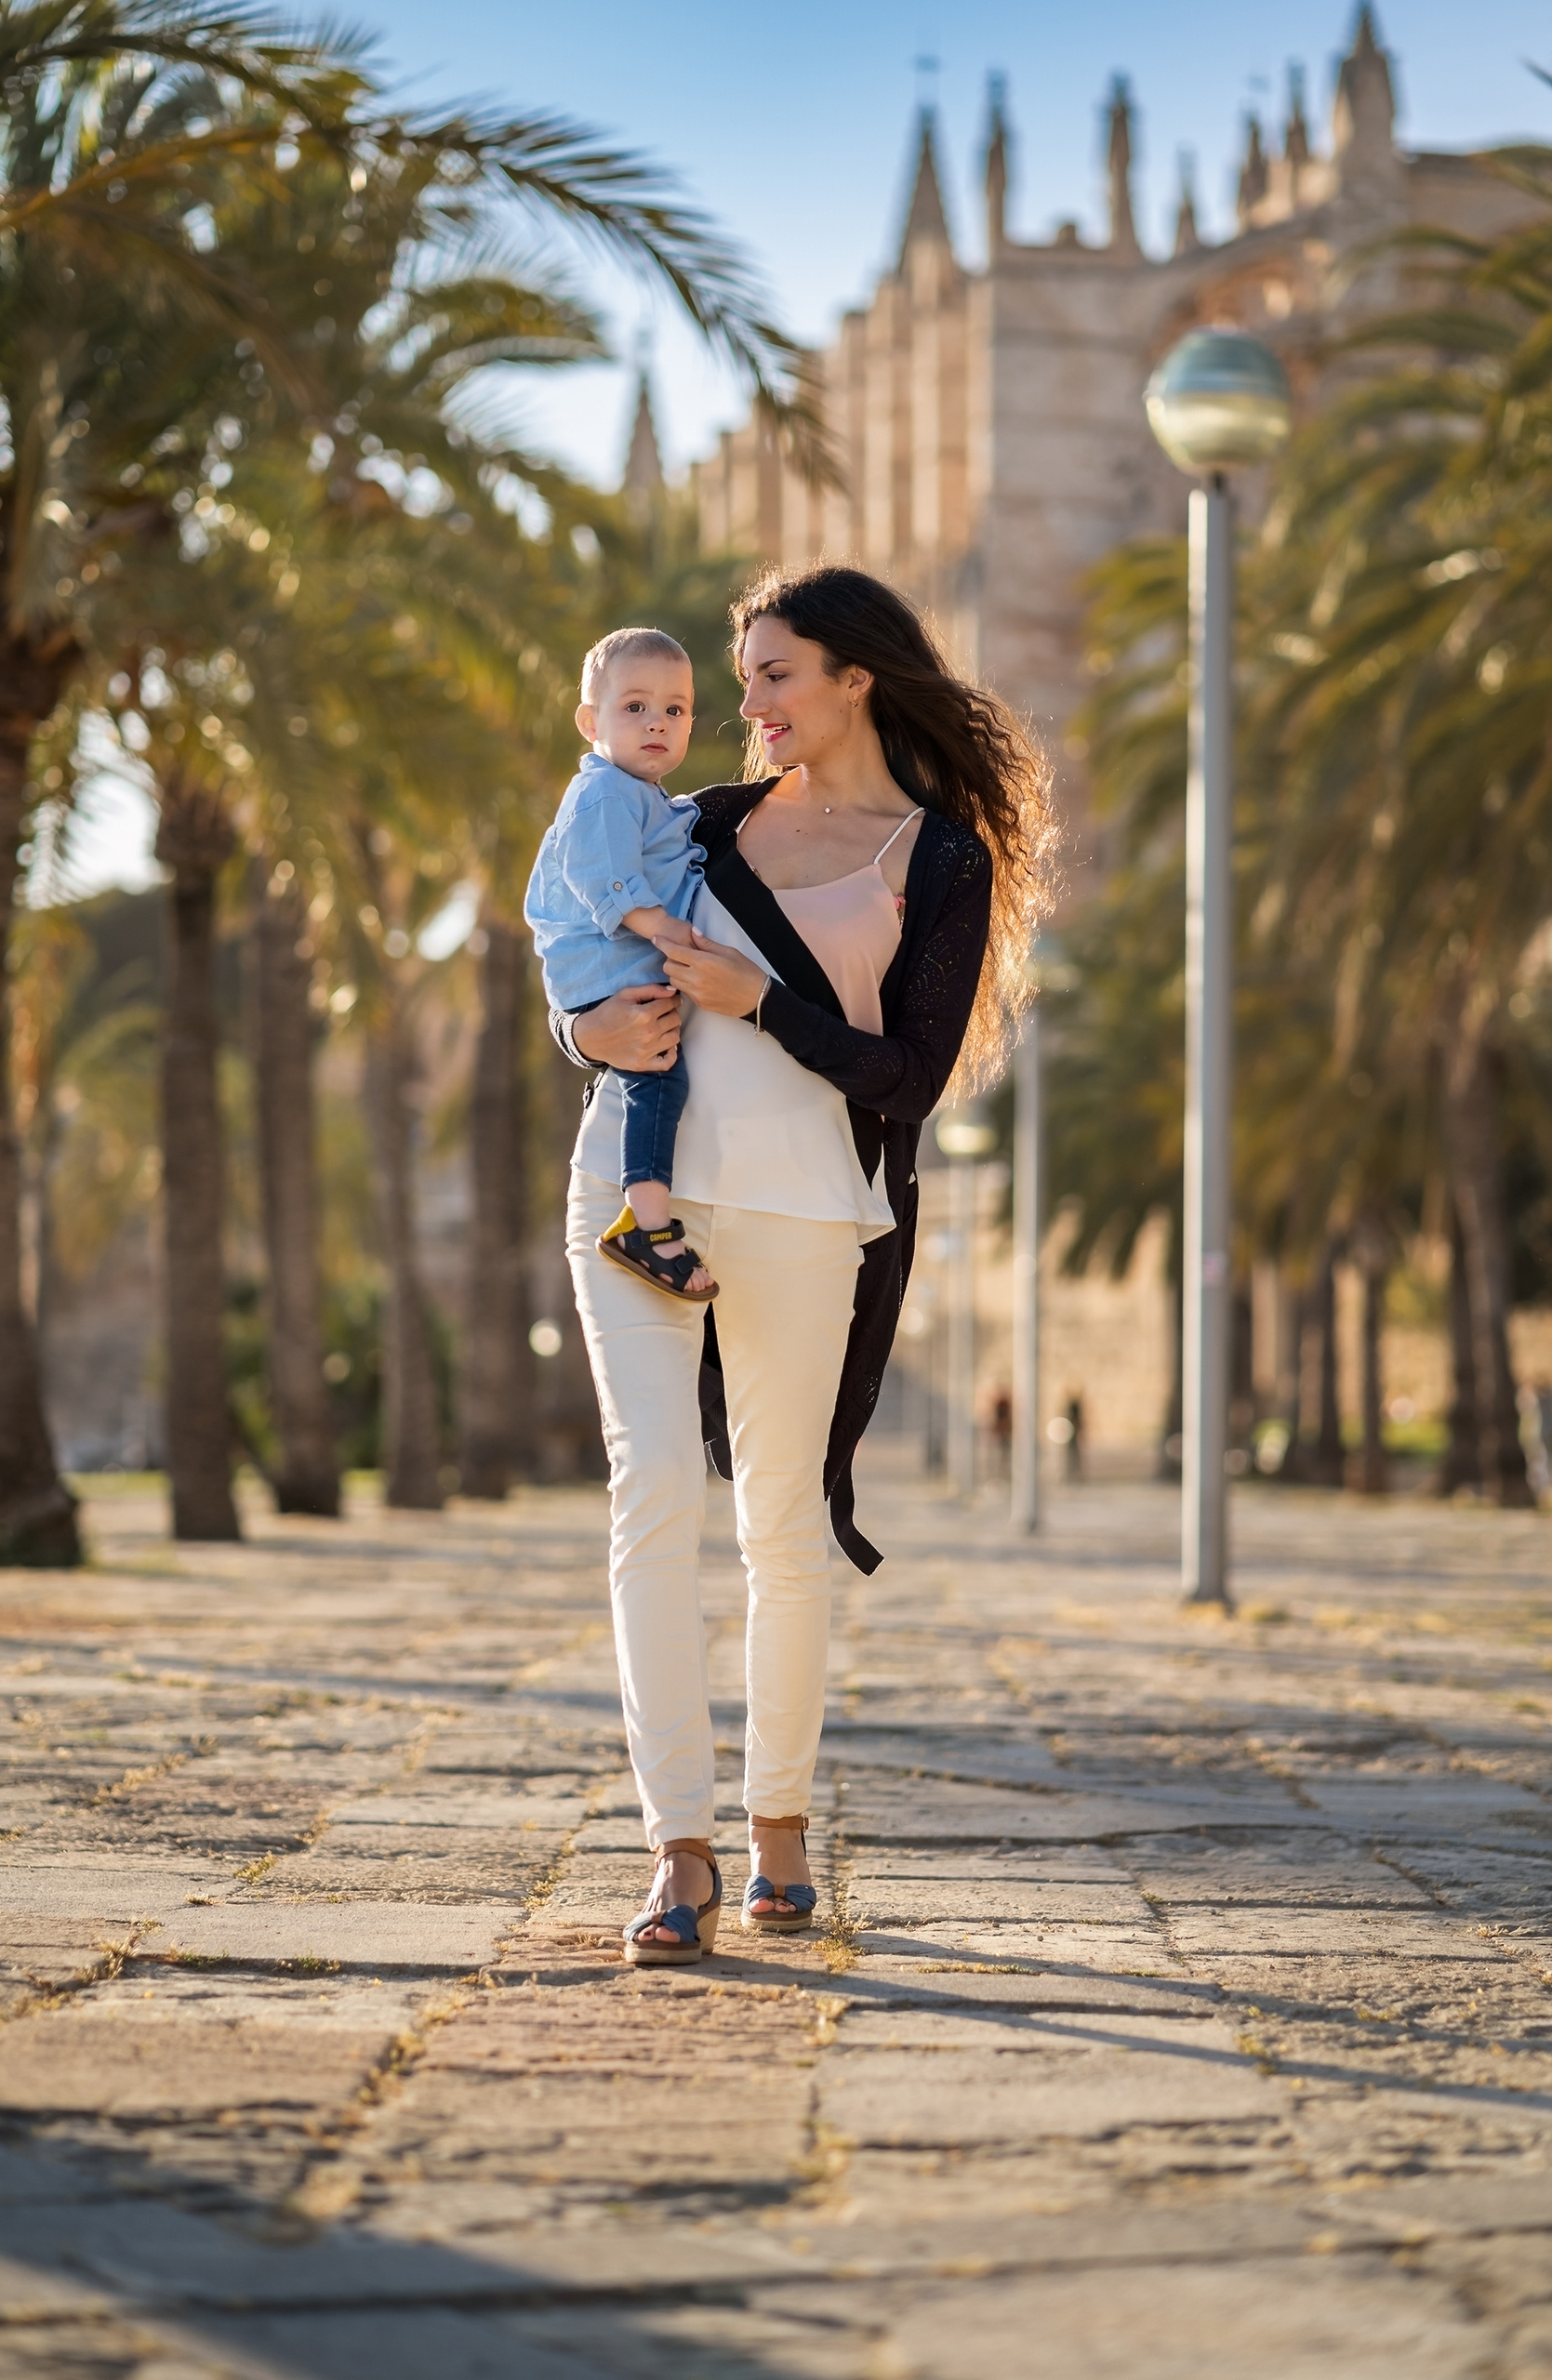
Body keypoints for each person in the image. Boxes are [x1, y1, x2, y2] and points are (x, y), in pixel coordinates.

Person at [548, 564, 1055, 1965]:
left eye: (774, 674)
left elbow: (907, 1077)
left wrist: (758, 1003)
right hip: (629, 1188)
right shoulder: (691, 824)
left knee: (778, 1520)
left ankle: (776, 1827)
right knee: (649, 1491)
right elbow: (585, 947)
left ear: (854, 680)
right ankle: (678, 1850)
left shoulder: (940, 858)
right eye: (742, 675)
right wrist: (583, 1038)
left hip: (801, 1208)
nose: (745, 704)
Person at [524, 627, 715, 1300]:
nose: (656, 723)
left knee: (658, 1075)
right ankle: (645, 1223)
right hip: (607, 970)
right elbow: (599, 873)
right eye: (633, 707)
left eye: (674, 709)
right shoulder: (604, 792)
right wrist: (662, 927)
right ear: (590, 721)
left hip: (615, 968)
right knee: (657, 1075)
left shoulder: (646, 796)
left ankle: (648, 1213)